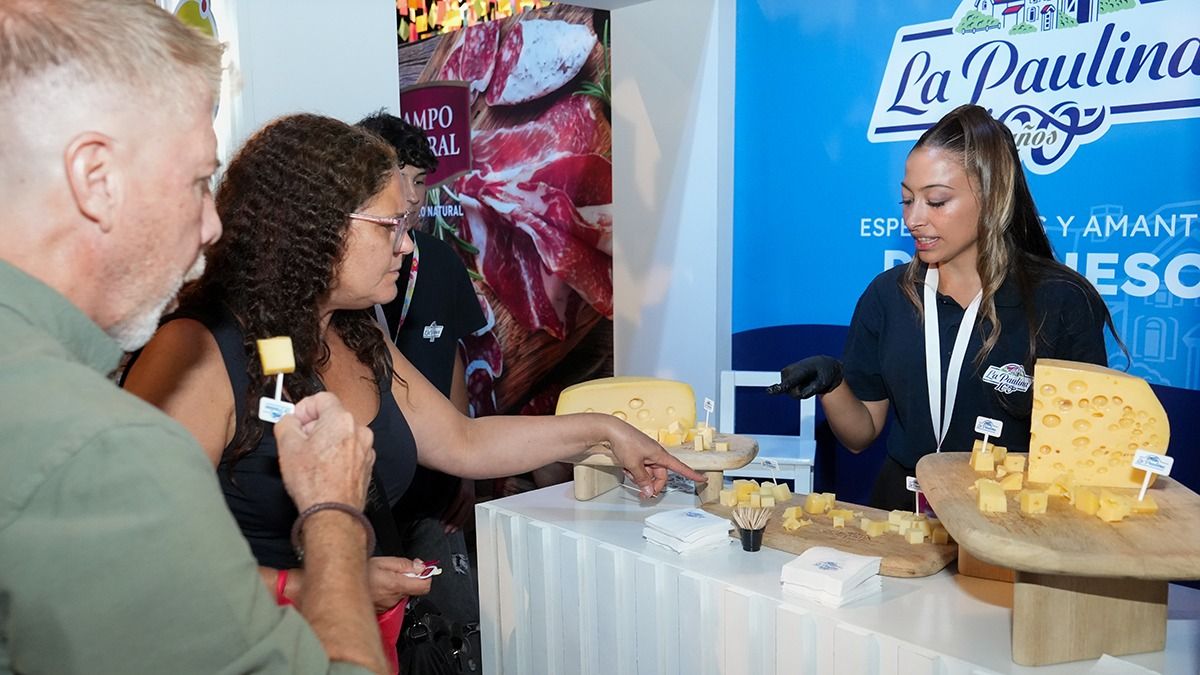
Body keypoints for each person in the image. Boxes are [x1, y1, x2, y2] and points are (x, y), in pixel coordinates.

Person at [120, 112, 705, 657]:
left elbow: (464, 442)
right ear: (315, 230)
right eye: (389, 225)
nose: (406, 243)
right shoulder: (195, 352)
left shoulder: (355, 335)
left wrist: (605, 431)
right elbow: (144, 561)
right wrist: (324, 583)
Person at [0, 1, 387, 673]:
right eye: (197, 181)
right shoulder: (108, 451)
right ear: (97, 180)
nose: (212, 225)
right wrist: (330, 510)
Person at [769, 104, 1119, 511]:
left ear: (993, 197)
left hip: (1009, 516)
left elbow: (1086, 453)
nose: (914, 219)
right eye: (906, 200)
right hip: (903, 513)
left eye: (936, 201)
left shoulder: (1060, 300)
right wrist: (832, 385)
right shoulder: (888, 295)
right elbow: (860, 435)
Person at [356, 112, 487, 629]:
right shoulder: (341, 301)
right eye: (400, 179)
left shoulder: (436, 260)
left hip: (434, 490)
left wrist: (464, 470)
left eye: (419, 182)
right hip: (371, 501)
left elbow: (450, 361)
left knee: (456, 628)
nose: (412, 199)